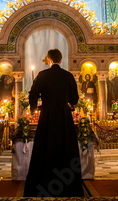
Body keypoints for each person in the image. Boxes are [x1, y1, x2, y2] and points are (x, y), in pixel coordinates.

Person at [24, 49, 83, 197]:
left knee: (45, 147)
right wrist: (67, 102)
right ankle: (67, 186)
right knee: (65, 147)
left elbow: (33, 95)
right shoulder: (68, 76)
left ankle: (43, 183)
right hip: (64, 117)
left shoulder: (42, 75)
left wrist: (33, 110)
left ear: (49, 60)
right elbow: (74, 100)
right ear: (61, 60)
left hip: (47, 117)